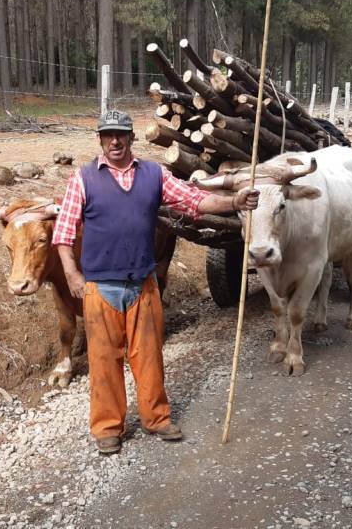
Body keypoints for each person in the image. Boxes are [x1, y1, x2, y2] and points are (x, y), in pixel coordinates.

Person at [52, 110, 259, 455]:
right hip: (100, 288)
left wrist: (234, 202)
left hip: (143, 285)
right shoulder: (83, 178)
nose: (115, 141)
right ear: (100, 140)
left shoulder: (154, 174)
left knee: (149, 357)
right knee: (103, 362)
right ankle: (108, 428)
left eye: (121, 134)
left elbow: (194, 201)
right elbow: (63, 232)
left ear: (131, 138)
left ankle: (156, 418)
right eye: (108, 135)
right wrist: (72, 273)